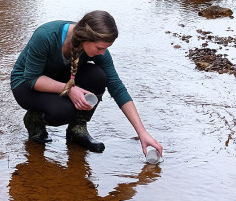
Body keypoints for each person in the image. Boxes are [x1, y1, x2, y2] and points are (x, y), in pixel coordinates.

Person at [10, 10, 163, 156]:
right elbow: (32, 78)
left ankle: (77, 130)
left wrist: (142, 133)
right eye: (100, 48)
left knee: (98, 76)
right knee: (63, 111)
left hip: (59, 78)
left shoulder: (95, 47)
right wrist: (69, 89)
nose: (102, 53)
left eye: (105, 48)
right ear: (86, 38)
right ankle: (33, 120)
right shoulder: (46, 35)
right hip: (26, 84)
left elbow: (116, 87)